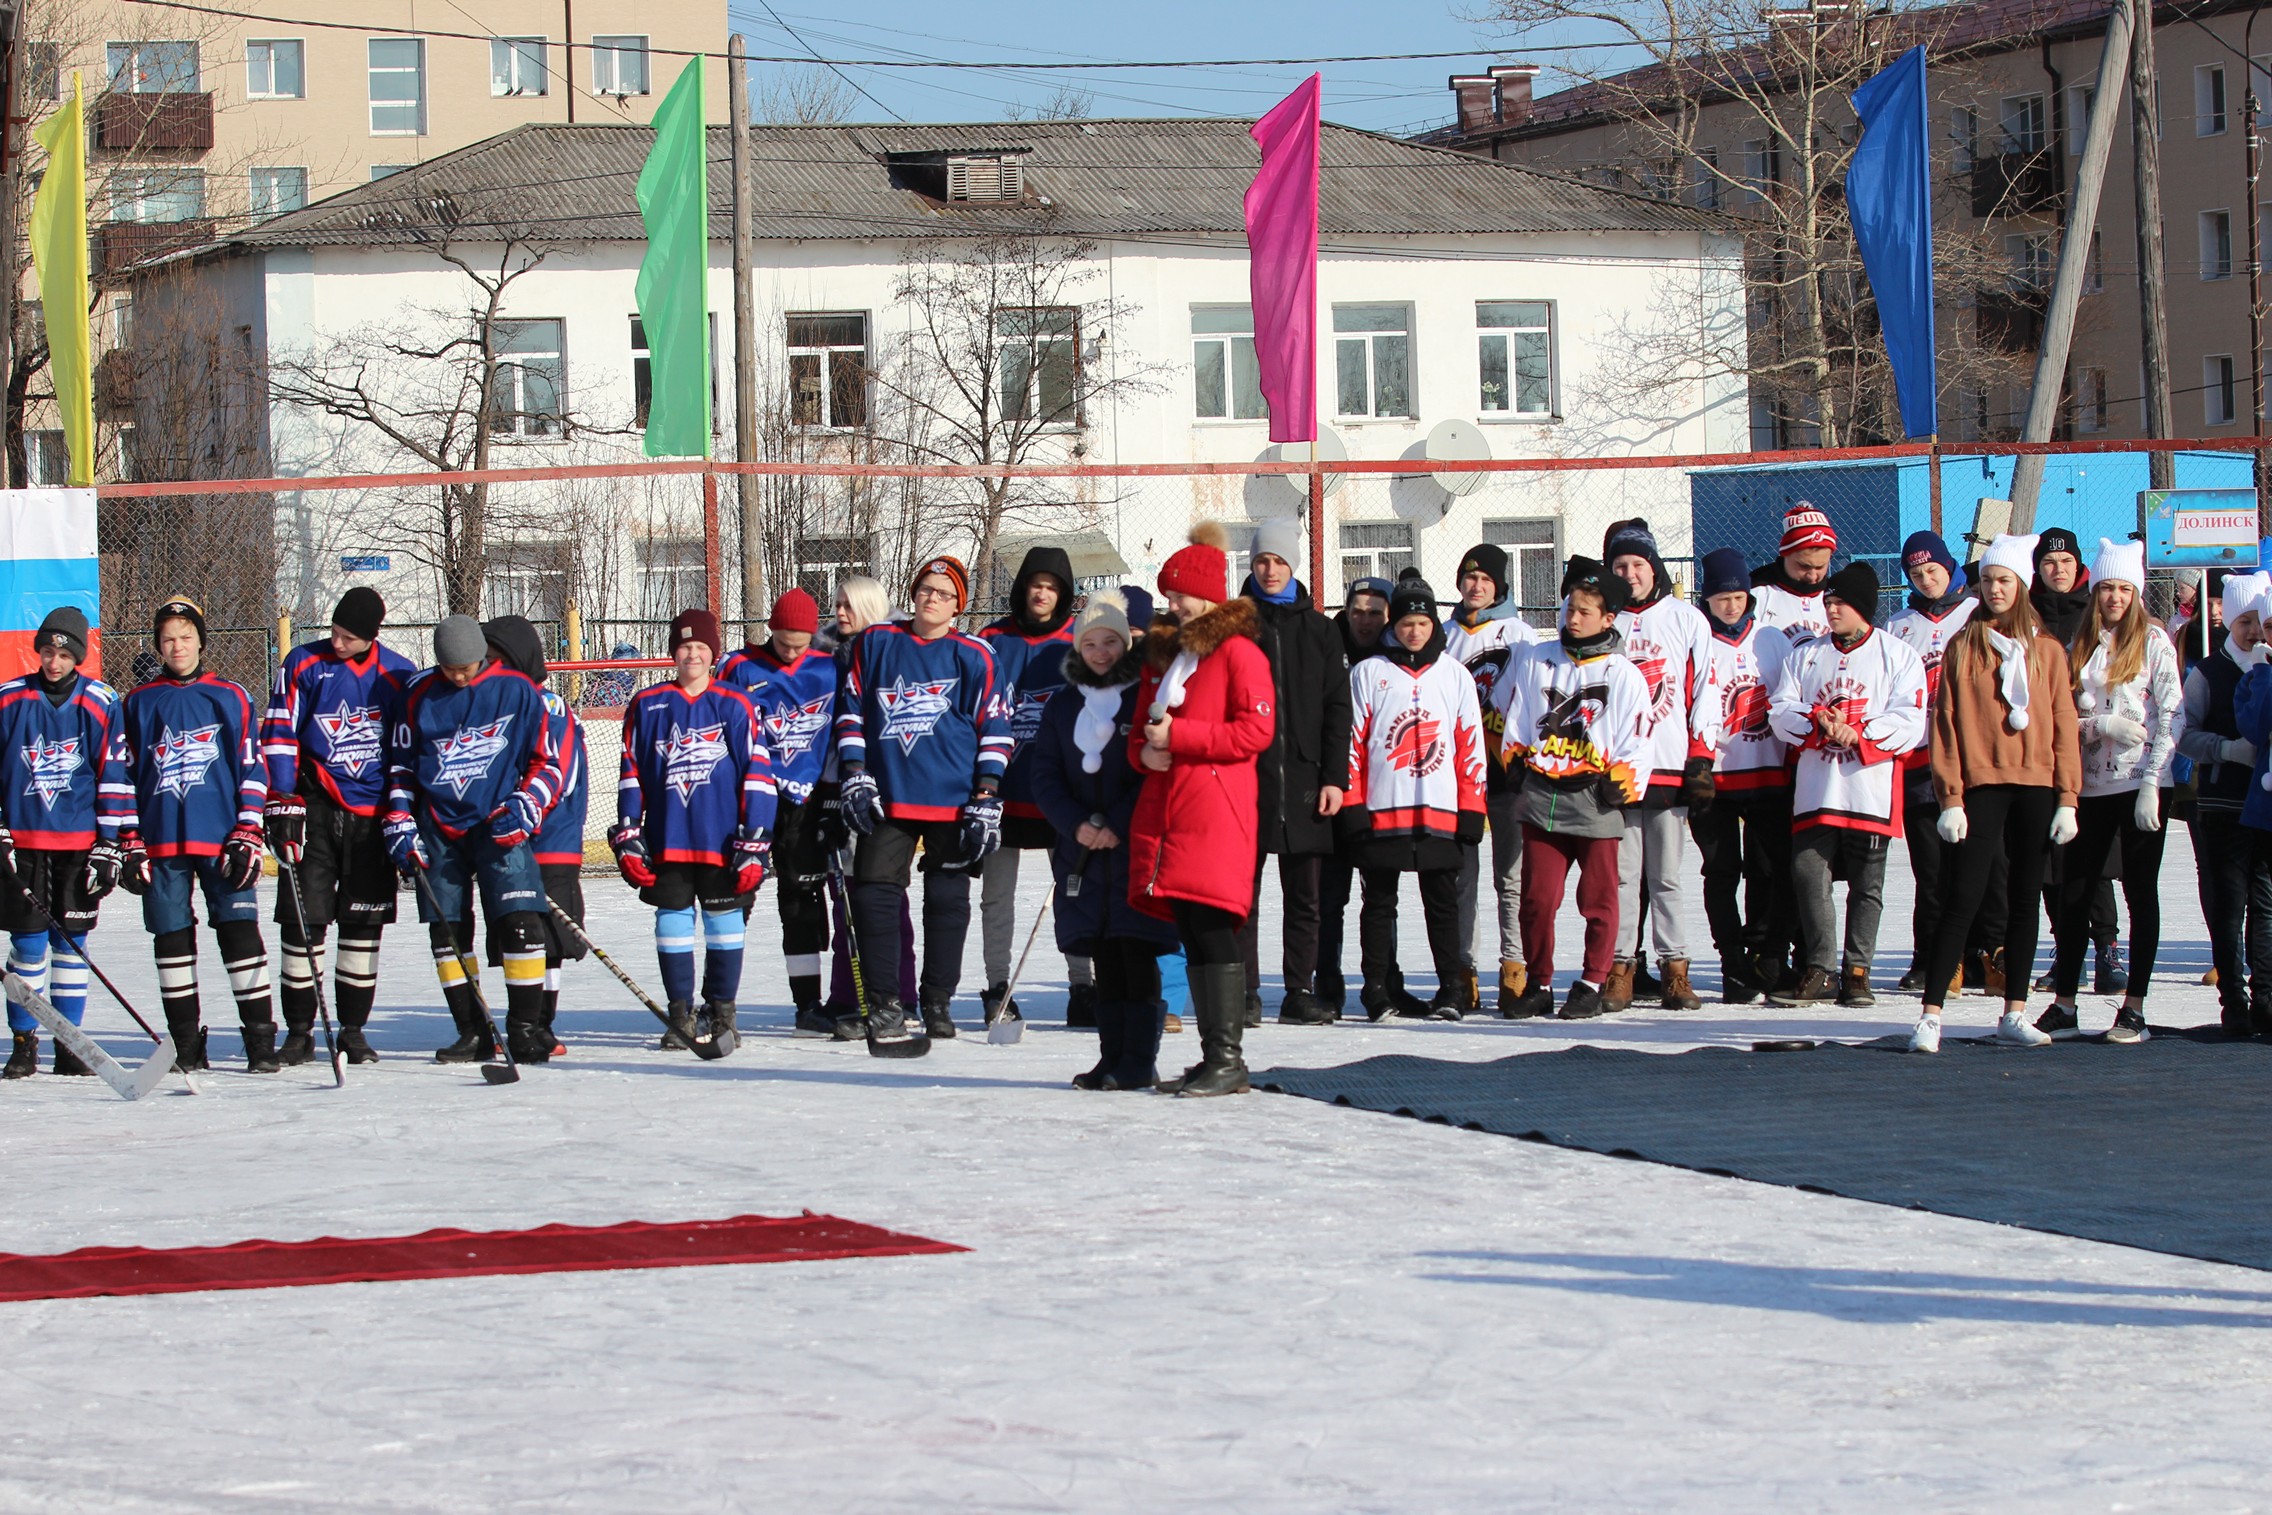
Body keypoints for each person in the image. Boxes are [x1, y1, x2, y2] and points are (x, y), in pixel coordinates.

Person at [1910, 534, 2081, 1053]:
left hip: (2036, 785)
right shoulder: (1966, 644)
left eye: (2005, 580)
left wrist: (2068, 797)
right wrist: (1950, 796)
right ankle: (1932, 1014)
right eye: (1987, 581)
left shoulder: (2047, 650)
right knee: (1962, 895)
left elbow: (2063, 722)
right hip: (1982, 784)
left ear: (2022, 585)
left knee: (2025, 899)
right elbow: (1946, 723)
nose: (1996, 589)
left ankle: (2015, 1010)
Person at [834, 556, 1010, 1050]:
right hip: (887, 797)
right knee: (873, 896)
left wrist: (987, 793)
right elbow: (850, 713)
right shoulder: (878, 643)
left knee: (948, 900)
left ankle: (936, 1001)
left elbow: (994, 728)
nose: (932, 599)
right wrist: (855, 774)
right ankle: (887, 1003)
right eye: (925, 590)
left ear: (960, 605)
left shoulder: (974, 655)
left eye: (944, 594)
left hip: (953, 801)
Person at [1127, 523, 1275, 1096]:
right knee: (1192, 927)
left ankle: (1228, 1058)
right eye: (1167, 595)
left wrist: (1180, 739)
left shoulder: (1240, 653)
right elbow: (1142, 732)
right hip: (1170, 811)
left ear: (1209, 594)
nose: (1173, 605)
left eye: (1180, 594)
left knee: (1214, 927)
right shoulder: (1168, 658)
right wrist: (1146, 753)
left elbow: (1255, 731)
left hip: (1216, 812)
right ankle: (1213, 1056)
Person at [383, 614, 567, 1064]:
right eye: (449, 669)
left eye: (465, 667)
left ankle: (524, 1029)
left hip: (499, 821)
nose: (458, 676)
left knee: (520, 921)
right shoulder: (420, 694)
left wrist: (528, 804)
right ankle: (473, 1030)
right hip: (438, 828)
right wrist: (399, 819)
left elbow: (548, 763)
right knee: (447, 930)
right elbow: (402, 766)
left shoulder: (517, 690)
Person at [117, 597, 277, 1072]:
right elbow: (122, 775)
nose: (178, 646)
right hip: (161, 842)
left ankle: (260, 1041)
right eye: (168, 639)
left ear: (201, 642)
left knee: (239, 933)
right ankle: (186, 1044)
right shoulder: (138, 702)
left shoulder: (229, 696)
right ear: (157, 646)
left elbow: (252, 766)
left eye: (186, 637)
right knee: (170, 941)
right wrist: (128, 838)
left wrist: (249, 827)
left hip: (221, 838)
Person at [1028, 590, 1178, 1088]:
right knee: (1105, 955)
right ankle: (1111, 1055)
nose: (1101, 652)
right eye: (1090, 642)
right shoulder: (1063, 705)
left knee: (1135, 950)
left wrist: (1116, 821)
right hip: (1082, 853)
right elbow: (1044, 774)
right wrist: (1077, 825)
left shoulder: (1145, 698)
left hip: (1134, 846)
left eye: (1111, 641)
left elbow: (1153, 772)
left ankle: (1140, 1058)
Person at [260, 587, 414, 1066]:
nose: (338, 641)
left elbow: (406, 748)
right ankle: (300, 1030)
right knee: (303, 922)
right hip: (317, 807)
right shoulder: (304, 663)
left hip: (372, 818)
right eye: (334, 631)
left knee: (363, 925)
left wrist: (402, 810)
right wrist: (283, 798)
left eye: (349, 637)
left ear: (372, 636)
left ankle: (352, 1029)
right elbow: (280, 728)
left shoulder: (397, 674)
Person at [2036, 538, 2182, 1044]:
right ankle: (2065, 1004)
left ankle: (2134, 1006)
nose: (2115, 597)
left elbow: (2172, 714)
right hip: (2090, 788)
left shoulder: (2155, 643)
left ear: (2136, 593)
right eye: (2106, 588)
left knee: (2140, 892)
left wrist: (2151, 784)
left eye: (2124, 588)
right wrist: (2101, 725)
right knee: (2074, 890)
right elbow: (2066, 719)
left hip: (2138, 785)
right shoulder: (2083, 645)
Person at [1494, 557, 1652, 1021]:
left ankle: (1591, 982)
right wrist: (1516, 761)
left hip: (1595, 796)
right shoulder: (1539, 660)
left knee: (1598, 900)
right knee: (1538, 899)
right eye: (1570, 609)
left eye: (1585, 611)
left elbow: (1637, 739)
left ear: (1608, 619)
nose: (1573, 617)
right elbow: (1520, 719)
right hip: (1542, 795)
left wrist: (1619, 785)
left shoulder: (1622, 674)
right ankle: (1539, 983)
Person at [610, 609, 774, 1054]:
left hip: (722, 843)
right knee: (673, 927)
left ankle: (721, 1012)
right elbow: (632, 773)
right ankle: (680, 1013)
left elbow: (758, 775)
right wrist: (628, 832)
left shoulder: (735, 704)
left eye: (701, 647)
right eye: (685, 647)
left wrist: (755, 839)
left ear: (714, 653)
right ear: (672, 653)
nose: (693, 655)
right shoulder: (648, 705)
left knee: (725, 928)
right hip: (670, 841)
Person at [1766, 562, 1928, 1008]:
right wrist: (1816, 721)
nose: (1831, 609)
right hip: (1817, 789)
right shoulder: (1806, 654)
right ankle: (1820, 968)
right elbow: (1780, 709)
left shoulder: (1897, 656)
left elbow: (1910, 719)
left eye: (1840, 602)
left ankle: (1857, 970)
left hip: (1869, 790)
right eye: (1829, 602)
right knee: (1808, 874)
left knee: (1866, 883)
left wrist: (1859, 733)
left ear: (1863, 608)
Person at [1341, 575, 1488, 1020]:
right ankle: (1377, 988)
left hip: (1440, 812)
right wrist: (1352, 805)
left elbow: (1470, 745)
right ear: (1394, 624)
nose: (1414, 630)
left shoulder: (1454, 675)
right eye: (1406, 621)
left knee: (1442, 900)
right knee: (1380, 902)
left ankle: (1450, 988)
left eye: (1422, 621)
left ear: (1432, 624)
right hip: (1382, 811)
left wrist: (1472, 808)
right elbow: (1353, 744)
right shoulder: (1369, 672)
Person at [0, 608, 130, 1078]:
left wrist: (109, 842)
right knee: (28, 946)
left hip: (77, 845)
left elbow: (114, 774)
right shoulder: (10, 699)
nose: (54, 662)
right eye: (48, 652)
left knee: (71, 945)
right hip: (24, 843)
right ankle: (24, 1041)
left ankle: (70, 1044)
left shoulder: (100, 701)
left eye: (63, 653)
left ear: (78, 656)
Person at [1239, 518, 1352, 1028]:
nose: (1269, 570)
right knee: (1242, 896)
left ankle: (1298, 989)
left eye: (1279, 561)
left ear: (1294, 566)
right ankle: (1243, 991)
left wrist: (1334, 778)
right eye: (1262, 560)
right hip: (1248, 781)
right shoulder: (1233, 623)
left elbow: (1336, 707)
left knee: (1305, 896)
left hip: (1307, 781)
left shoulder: (1321, 630)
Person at [1601, 518, 1714, 1011]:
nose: (1629, 574)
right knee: (1623, 877)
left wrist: (1701, 758)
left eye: (1638, 565)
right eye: (1620, 565)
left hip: (1669, 765)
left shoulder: (1686, 619)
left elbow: (1703, 689)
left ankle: (1676, 971)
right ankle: (1620, 969)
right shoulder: (1606, 620)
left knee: (1665, 876)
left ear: (1655, 568)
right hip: (1621, 771)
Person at [721, 588, 840, 1037]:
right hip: (750, 799)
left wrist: (832, 795)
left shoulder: (828, 668)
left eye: (801, 642)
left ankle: (807, 1003)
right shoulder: (739, 666)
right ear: (770, 630)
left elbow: (840, 731)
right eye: (785, 642)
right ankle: (720, 1002)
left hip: (805, 802)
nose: (793, 651)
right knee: (734, 896)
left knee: (801, 901)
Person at [1883, 530, 1995, 997]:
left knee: (1975, 862)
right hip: (1920, 762)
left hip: (1972, 760)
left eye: (1933, 570)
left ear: (1951, 569)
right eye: (1916, 573)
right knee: (1929, 867)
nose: (1927, 580)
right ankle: (1929, 954)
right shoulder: (1898, 625)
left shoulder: (1977, 614)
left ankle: (1981, 953)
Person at [977, 546, 1085, 1028]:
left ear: (1063, 594)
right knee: (997, 894)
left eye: (1053, 586)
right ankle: (997, 984)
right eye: (1035, 584)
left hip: (1061, 793)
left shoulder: (1078, 639)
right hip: (1003, 790)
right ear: (1022, 587)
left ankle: (1084, 984)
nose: (1042, 593)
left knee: (1074, 888)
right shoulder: (993, 638)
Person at [1690, 548, 1794, 1005]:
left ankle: (1770, 955)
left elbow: (1792, 700)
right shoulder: (1696, 638)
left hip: (1769, 775)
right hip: (1715, 778)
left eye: (1737, 596)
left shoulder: (1771, 639)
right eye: (1720, 597)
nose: (1730, 605)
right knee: (1721, 871)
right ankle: (1733, 961)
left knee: (1771, 869)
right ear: (1706, 599)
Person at [482, 616, 587, 1053]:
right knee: (519, 935)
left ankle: (541, 1022)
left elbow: (556, 772)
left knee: (550, 939)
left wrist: (525, 813)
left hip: (549, 839)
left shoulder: (549, 707)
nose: (486, 667)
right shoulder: (496, 703)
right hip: (510, 838)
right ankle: (527, 1023)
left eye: (493, 659)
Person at [2029, 526, 2124, 995]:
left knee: (2095, 854)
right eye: (2048, 563)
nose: (2057, 569)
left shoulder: (2097, 611)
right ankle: (2068, 950)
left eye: (2065, 562)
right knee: (2051, 855)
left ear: (2079, 566)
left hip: (2092, 753)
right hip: (2042, 753)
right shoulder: (2027, 615)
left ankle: (2106, 947)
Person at [1443, 544, 1537, 1016]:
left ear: (1500, 585)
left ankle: (1514, 968)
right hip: (1459, 777)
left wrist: (1520, 753)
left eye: (1484, 579)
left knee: (1511, 876)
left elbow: (1530, 697)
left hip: (1505, 773)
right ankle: (1462, 972)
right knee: (1462, 877)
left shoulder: (1519, 633)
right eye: (1468, 577)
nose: (1475, 586)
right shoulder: (1444, 635)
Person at [2176, 571, 2270, 1034]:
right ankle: (2233, 995)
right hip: (2223, 801)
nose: (2253, 631)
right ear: (2228, 624)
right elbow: (2185, 734)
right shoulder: (2210, 672)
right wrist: (2228, 749)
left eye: (2260, 621)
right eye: (2243, 622)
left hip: (2266, 807)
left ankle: (2265, 996)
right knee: (2229, 902)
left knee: (2266, 902)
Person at [818, 575, 913, 1035]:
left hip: (884, 787)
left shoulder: (892, 653)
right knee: (845, 898)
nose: (839, 613)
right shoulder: (827, 657)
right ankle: (848, 996)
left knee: (883, 897)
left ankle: (903, 994)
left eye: (849, 606)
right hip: (839, 784)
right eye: (836, 604)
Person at [1316, 576, 1393, 1014]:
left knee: (1381, 896)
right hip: (1334, 788)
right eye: (1357, 611)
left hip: (1382, 792)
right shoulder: (1330, 646)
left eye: (1375, 613)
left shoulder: (1397, 653)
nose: (1365, 620)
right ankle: (1327, 981)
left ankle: (1383, 982)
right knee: (1330, 896)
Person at [1751, 501, 1836, 640]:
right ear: (1785, 554)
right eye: (1804, 566)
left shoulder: (1840, 601)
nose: (1812, 576)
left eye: (1820, 567)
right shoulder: (1757, 598)